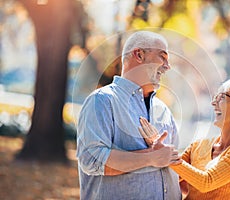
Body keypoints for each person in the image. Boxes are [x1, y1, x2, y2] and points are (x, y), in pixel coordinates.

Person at [76, 31, 182, 200]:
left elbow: (173, 166)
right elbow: (92, 160)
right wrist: (151, 157)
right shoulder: (102, 101)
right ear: (139, 55)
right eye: (162, 57)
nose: (167, 66)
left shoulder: (164, 111)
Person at [139, 79, 230, 199]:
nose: (213, 102)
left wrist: (167, 155)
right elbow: (171, 177)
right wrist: (155, 149)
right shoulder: (199, 145)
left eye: (221, 97)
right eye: (215, 97)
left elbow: (207, 182)